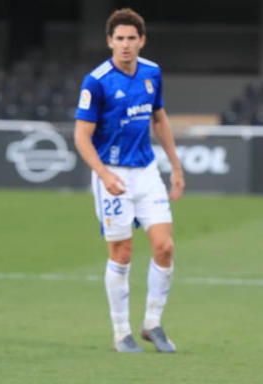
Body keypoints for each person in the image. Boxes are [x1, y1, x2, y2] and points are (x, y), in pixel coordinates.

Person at [73, 7, 185, 352]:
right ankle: (121, 330)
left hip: (146, 171)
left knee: (165, 247)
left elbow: (160, 119)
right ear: (109, 41)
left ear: (141, 40)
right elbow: (81, 135)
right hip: (112, 173)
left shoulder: (152, 73)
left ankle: (152, 322)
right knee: (122, 252)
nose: (125, 44)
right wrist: (103, 174)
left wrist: (176, 167)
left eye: (131, 38)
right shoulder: (97, 81)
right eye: (119, 38)